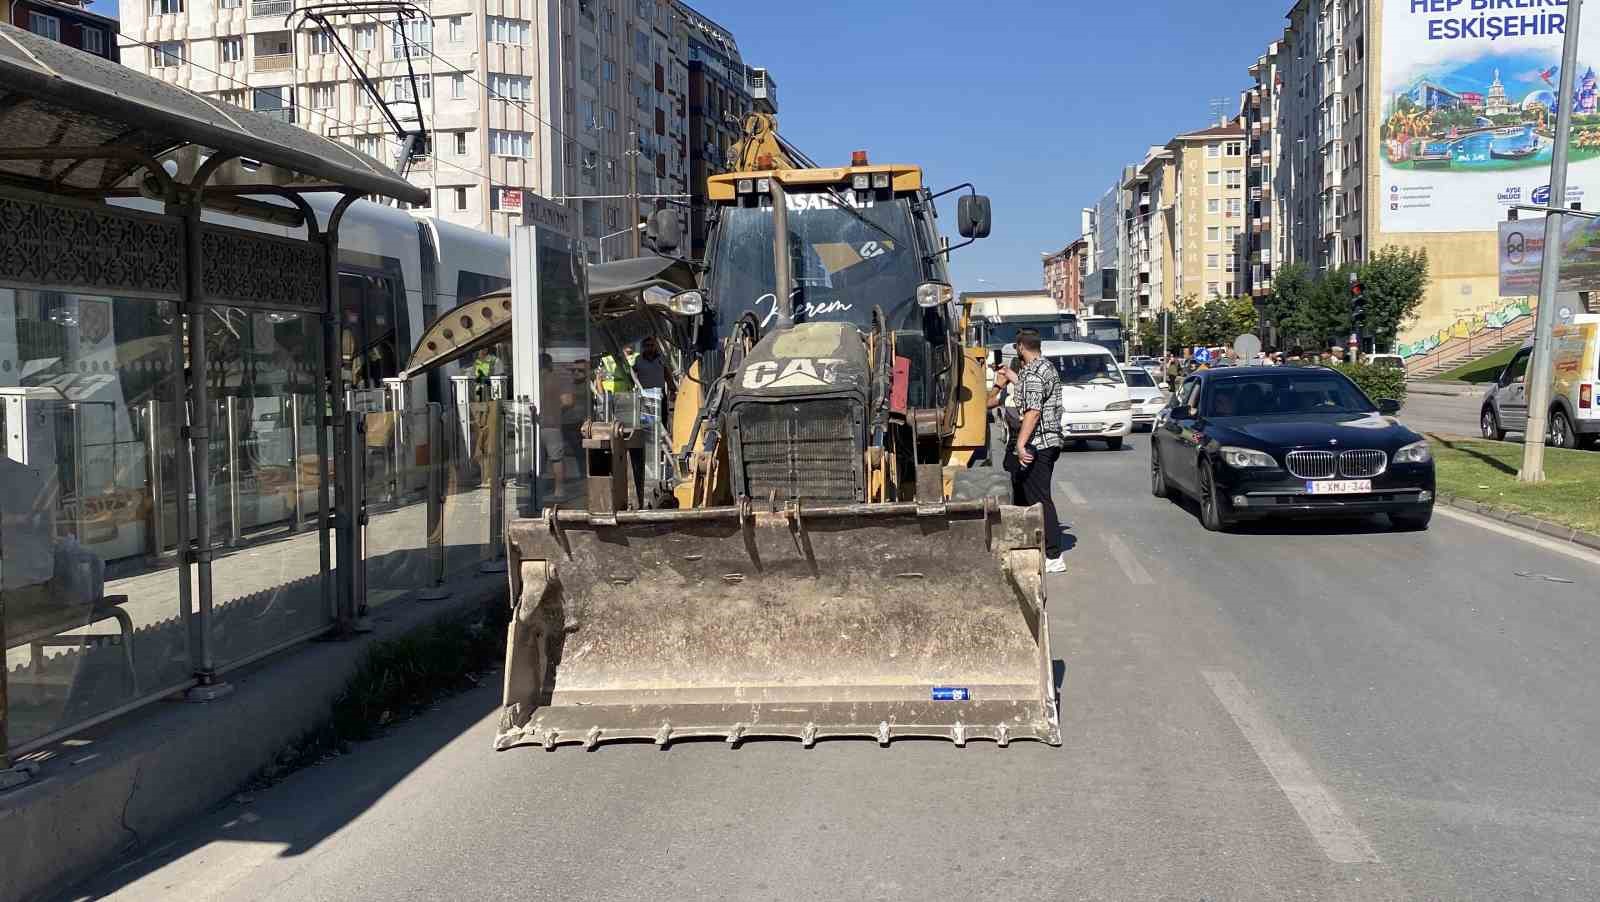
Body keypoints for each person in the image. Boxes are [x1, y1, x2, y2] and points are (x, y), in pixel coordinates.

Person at [987, 333, 1065, 574]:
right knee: (1023, 491)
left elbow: (1032, 412)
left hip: (1038, 443)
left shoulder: (1032, 372)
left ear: (1021, 347)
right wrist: (1008, 376)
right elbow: (1029, 389)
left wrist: (1021, 445)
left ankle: (1053, 554)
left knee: (1040, 499)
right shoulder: (1045, 367)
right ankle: (1029, 544)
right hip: (1048, 441)